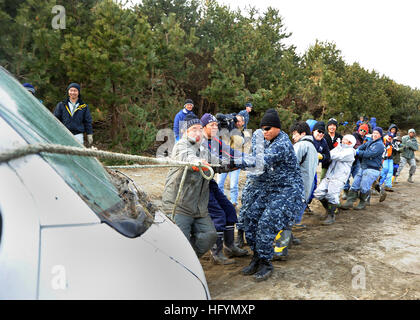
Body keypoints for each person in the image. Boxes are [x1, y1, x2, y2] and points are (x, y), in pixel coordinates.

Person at [239, 109, 305, 281]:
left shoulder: (282, 143)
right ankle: (257, 257)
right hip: (267, 188)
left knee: (266, 224)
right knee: (251, 220)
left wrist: (233, 162)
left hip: (287, 191)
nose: (264, 131)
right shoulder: (261, 138)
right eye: (262, 128)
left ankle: (266, 262)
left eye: (268, 128)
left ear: (277, 128)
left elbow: (260, 161)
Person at [161, 114, 217, 258]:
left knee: (210, 235)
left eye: (200, 129)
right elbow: (188, 157)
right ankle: (181, 261)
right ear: (185, 132)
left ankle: (189, 258)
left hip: (198, 207)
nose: (198, 133)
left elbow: (217, 162)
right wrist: (199, 163)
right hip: (179, 204)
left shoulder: (203, 148)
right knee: (180, 243)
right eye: (193, 129)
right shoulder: (181, 145)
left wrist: (237, 163)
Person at [200, 113, 250, 264]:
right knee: (219, 215)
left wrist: (248, 158)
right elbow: (218, 163)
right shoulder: (200, 143)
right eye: (211, 125)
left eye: (216, 125)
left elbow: (231, 151)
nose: (215, 128)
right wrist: (235, 163)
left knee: (229, 209)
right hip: (199, 186)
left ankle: (230, 246)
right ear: (203, 127)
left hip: (210, 183)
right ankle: (216, 253)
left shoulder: (215, 140)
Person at [315, 135, 356, 225]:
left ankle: (331, 215)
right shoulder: (339, 148)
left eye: (345, 140)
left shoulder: (350, 152)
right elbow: (330, 153)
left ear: (350, 143)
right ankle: (328, 210)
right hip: (329, 175)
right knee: (318, 193)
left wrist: (323, 156)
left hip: (339, 178)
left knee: (332, 196)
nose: (343, 140)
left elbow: (335, 156)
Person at [341, 127, 385, 210]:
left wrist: (357, 152)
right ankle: (350, 202)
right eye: (374, 133)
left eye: (377, 133)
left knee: (364, 187)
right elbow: (361, 147)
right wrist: (356, 149)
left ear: (380, 135)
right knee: (355, 184)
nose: (375, 135)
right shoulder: (369, 142)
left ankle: (362, 202)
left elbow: (368, 154)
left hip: (372, 169)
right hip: (363, 166)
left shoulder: (380, 145)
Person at [289, 121, 318, 228]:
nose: (293, 137)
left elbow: (290, 164)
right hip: (307, 185)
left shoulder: (300, 145)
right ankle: (292, 231)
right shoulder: (312, 147)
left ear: (303, 134)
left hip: (297, 185)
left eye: (295, 134)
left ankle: (287, 238)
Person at [217, 114, 245, 207]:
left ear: (243, 123)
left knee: (233, 185)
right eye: (235, 121)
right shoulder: (224, 131)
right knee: (219, 183)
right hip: (224, 160)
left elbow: (238, 143)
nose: (237, 123)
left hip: (235, 162)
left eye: (239, 121)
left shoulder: (242, 133)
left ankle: (234, 203)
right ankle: (220, 202)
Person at [306, 121, 331, 209]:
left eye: (323, 132)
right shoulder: (308, 139)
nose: (320, 134)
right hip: (304, 169)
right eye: (319, 131)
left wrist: (322, 156)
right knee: (305, 189)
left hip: (313, 169)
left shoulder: (323, 142)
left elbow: (328, 156)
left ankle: (306, 205)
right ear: (313, 131)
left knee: (313, 189)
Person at [342, 123, 369, 200]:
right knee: (346, 176)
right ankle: (345, 191)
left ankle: (355, 191)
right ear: (359, 130)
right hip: (349, 160)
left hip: (358, 160)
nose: (362, 131)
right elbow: (351, 145)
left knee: (357, 176)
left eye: (364, 131)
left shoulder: (366, 139)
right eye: (361, 130)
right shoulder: (354, 136)